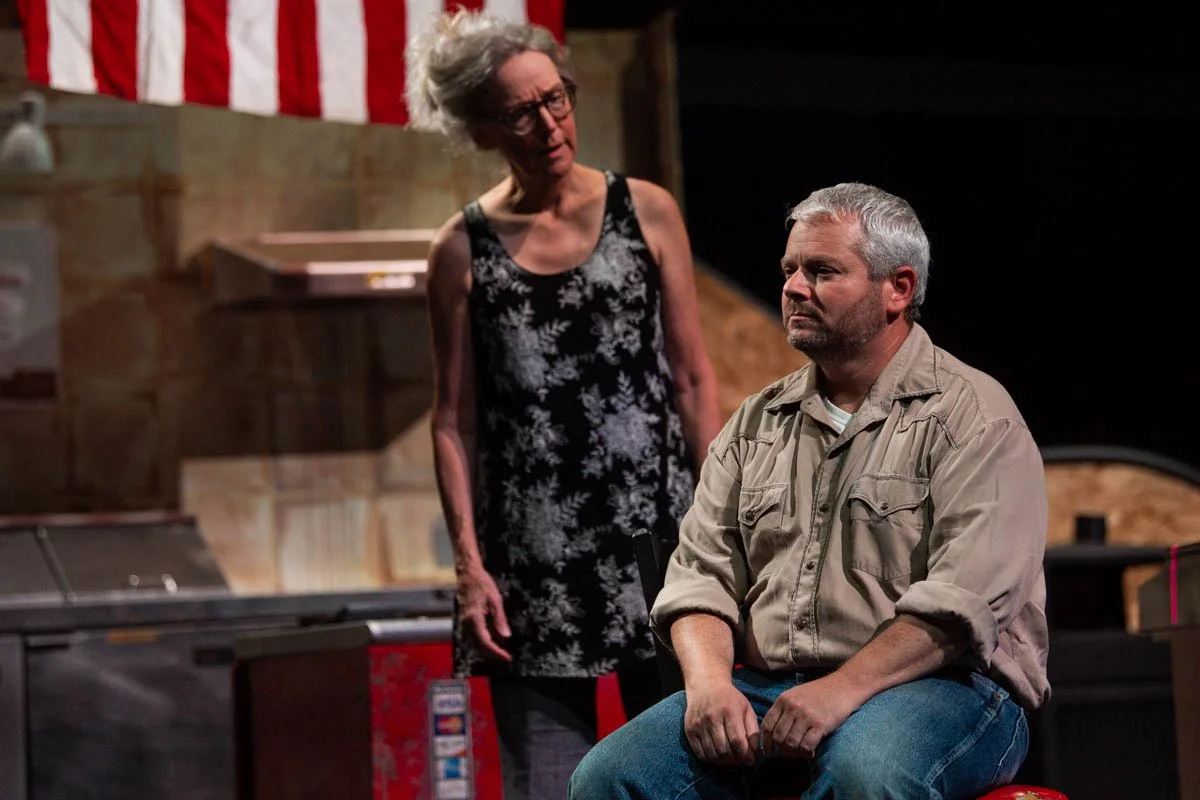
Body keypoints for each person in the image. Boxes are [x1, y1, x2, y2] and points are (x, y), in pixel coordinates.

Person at [570, 182, 1050, 799]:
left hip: (947, 687)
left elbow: (963, 606)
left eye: (822, 271)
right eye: (789, 269)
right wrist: (710, 686)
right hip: (769, 684)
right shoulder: (756, 423)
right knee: (609, 778)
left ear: (897, 290)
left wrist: (838, 691)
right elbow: (698, 577)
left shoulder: (975, 417)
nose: (794, 287)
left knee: (866, 774)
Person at [407, 9, 722, 799]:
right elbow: (454, 421)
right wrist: (469, 569)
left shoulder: (645, 210)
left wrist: (728, 532)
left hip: (661, 556)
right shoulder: (461, 248)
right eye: (522, 111)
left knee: (688, 777)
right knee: (548, 786)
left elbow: (692, 380)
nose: (550, 123)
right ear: (483, 129)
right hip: (532, 573)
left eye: (557, 98)